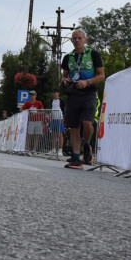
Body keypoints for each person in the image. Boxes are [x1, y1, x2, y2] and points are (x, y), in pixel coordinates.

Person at [61, 28, 105, 169]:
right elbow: (64, 75)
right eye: (74, 38)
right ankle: (75, 158)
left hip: (89, 93)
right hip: (74, 94)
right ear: (71, 41)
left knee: (87, 123)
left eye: (80, 38)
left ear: (85, 40)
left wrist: (87, 82)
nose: (77, 40)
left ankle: (87, 145)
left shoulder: (93, 54)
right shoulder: (68, 57)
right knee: (73, 127)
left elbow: (101, 75)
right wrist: (65, 80)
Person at [50, 89, 64, 154]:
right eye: (53, 92)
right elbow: (52, 109)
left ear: (58, 93)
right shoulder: (52, 101)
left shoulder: (61, 101)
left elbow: (64, 110)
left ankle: (60, 150)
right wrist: (50, 115)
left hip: (60, 119)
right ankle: (54, 149)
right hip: (53, 119)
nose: (54, 94)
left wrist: (63, 118)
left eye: (55, 92)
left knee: (60, 134)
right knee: (54, 134)